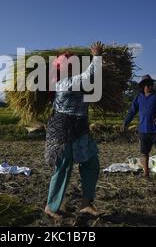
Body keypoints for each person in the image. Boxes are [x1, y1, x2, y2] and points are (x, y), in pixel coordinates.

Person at [44, 41, 104, 220]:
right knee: (63, 167)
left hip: (79, 130)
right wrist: (97, 56)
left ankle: (86, 203)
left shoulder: (75, 82)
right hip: (63, 132)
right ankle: (51, 206)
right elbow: (89, 76)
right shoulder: (65, 83)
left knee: (91, 163)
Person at [122, 75, 156, 183]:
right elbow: (132, 111)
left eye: (150, 84)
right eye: (146, 84)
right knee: (144, 153)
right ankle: (146, 173)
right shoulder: (138, 97)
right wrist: (125, 123)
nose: (149, 86)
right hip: (143, 130)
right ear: (142, 86)